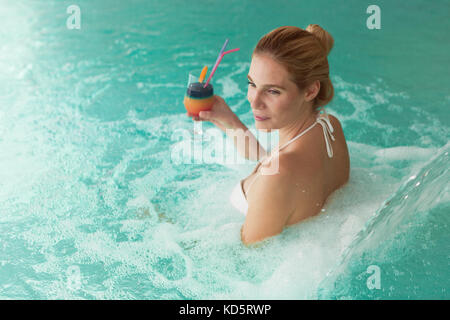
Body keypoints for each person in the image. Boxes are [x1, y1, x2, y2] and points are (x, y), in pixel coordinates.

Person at [187, 25, 350, 245]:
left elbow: (246, 259)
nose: (254, 100)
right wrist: (228, 121)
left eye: (273, 91)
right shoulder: (329, 127)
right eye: (252, 84)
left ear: (311, 91)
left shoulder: (278, 176)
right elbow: (275, 162)